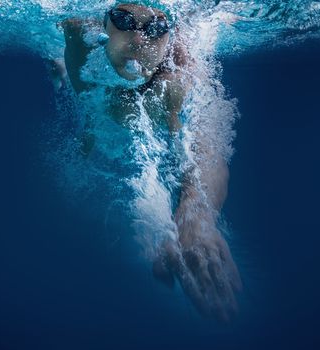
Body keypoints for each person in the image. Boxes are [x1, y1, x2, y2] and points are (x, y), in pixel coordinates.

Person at [57, 0, 242, 321]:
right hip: (94, 74)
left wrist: (196, 217)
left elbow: (207, 143)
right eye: (124, 20)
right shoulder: (78, 33)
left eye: (156, 28)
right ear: (105, 21)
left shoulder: (180, 67)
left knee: (163, 98)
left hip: (165, 86)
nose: (139, 40)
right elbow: (90, 112)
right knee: (94, 110)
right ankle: (56, 65)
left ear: (170, 33)